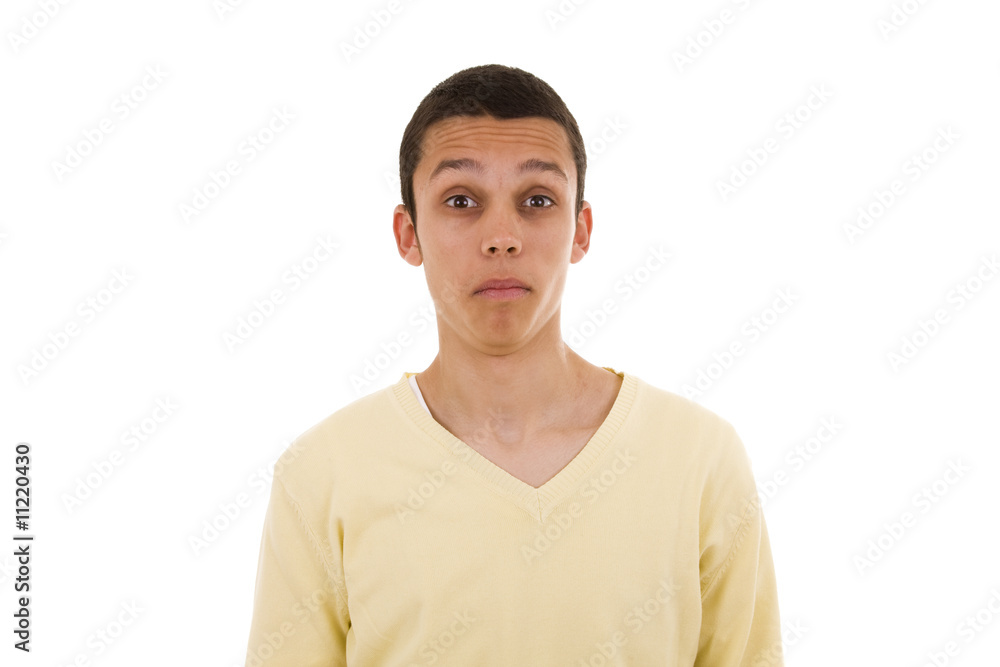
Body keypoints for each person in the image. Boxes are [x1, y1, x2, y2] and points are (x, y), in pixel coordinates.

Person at [243, 63, 784, 666]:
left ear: (580, 230)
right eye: (461, 201)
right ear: (408, 233)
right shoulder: (323, 474)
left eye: (536, 200)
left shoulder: (700, 459)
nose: (501, 237)